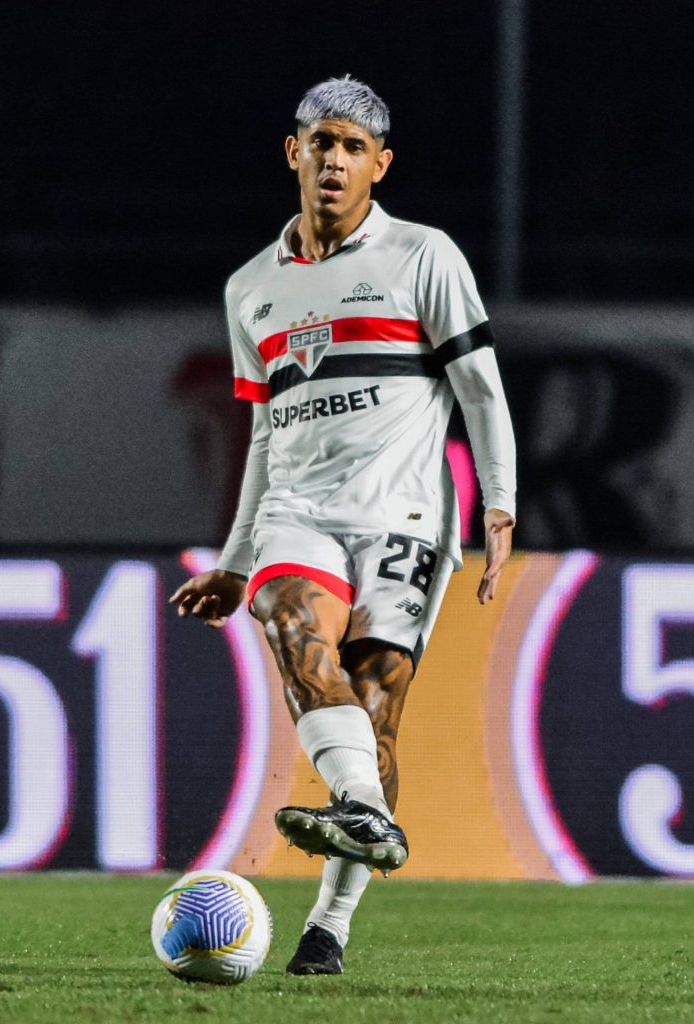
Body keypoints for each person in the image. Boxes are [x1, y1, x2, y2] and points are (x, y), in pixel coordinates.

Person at [169, 76, 516, 976]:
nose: (335, 159)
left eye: (354, 147)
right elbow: (262, 429)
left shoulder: (422, 255)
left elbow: (480, 388)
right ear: (295, 152)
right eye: (321, 141)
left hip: (405, 515)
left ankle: (331, 923)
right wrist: (239, 561)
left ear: (379, 165)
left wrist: (502, 504)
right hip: (299, 514)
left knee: (377, 709)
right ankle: (364, 807)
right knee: (287, 622)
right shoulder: (251, 288)